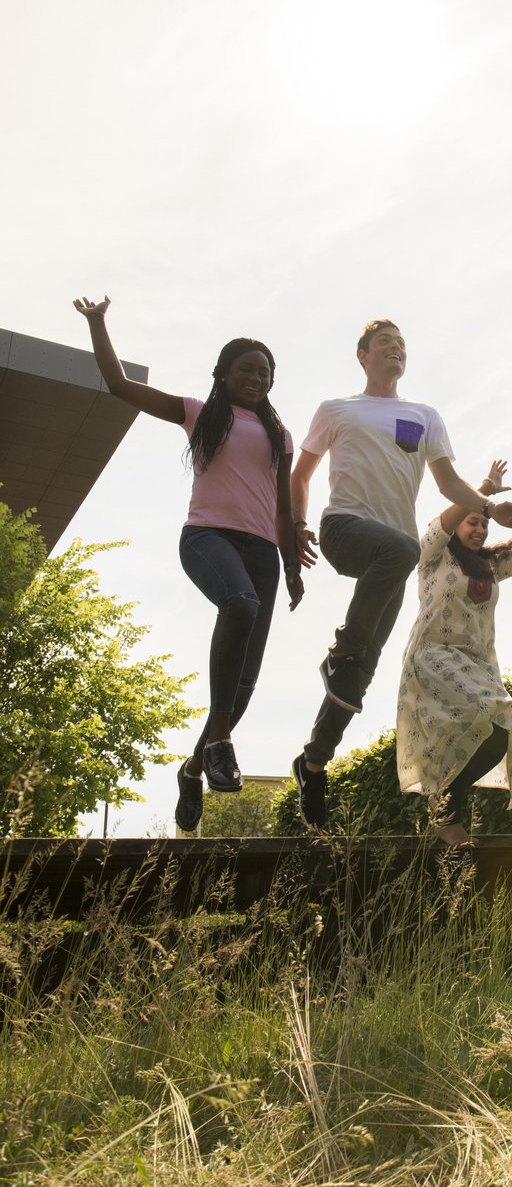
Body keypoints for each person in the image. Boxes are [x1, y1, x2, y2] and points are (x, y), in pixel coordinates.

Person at [73, 297, 304, 833]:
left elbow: (284, 506)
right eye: (246, 369)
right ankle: (221, 742)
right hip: (207, 537)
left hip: (263, 551)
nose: (257, 378)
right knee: (239, 604)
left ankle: (193, 767)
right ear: (222, 374)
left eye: (265, 372)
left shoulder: (280, 435)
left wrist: (291, 565)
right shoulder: (201, 413)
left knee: (244, 683)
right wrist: (98, 323)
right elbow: (118, 385)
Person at [290, 320, 512, 829]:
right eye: (385, 343)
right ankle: (342, 653)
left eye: (402, 344)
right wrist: (295, 527)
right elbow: (301, 474)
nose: (396, 349)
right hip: (345, 529)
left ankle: (313, 761)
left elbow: (446, 482)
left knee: (359, 679)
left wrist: (489, 503)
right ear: (363, 355)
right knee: (396, 558)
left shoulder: (424, 416)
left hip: (390, 558)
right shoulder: (337, 410)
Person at [396, 461, 512, 845]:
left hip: (478, 664)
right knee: (479, 712)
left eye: (484, 525)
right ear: (457, 526)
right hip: (433, 655)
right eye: (472, 523)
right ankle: (446, 811)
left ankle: (447, 810)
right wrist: (483, 492)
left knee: (499, 733)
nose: (480, 529)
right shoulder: (432, 555)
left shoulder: (490, 565)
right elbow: (446, 518)